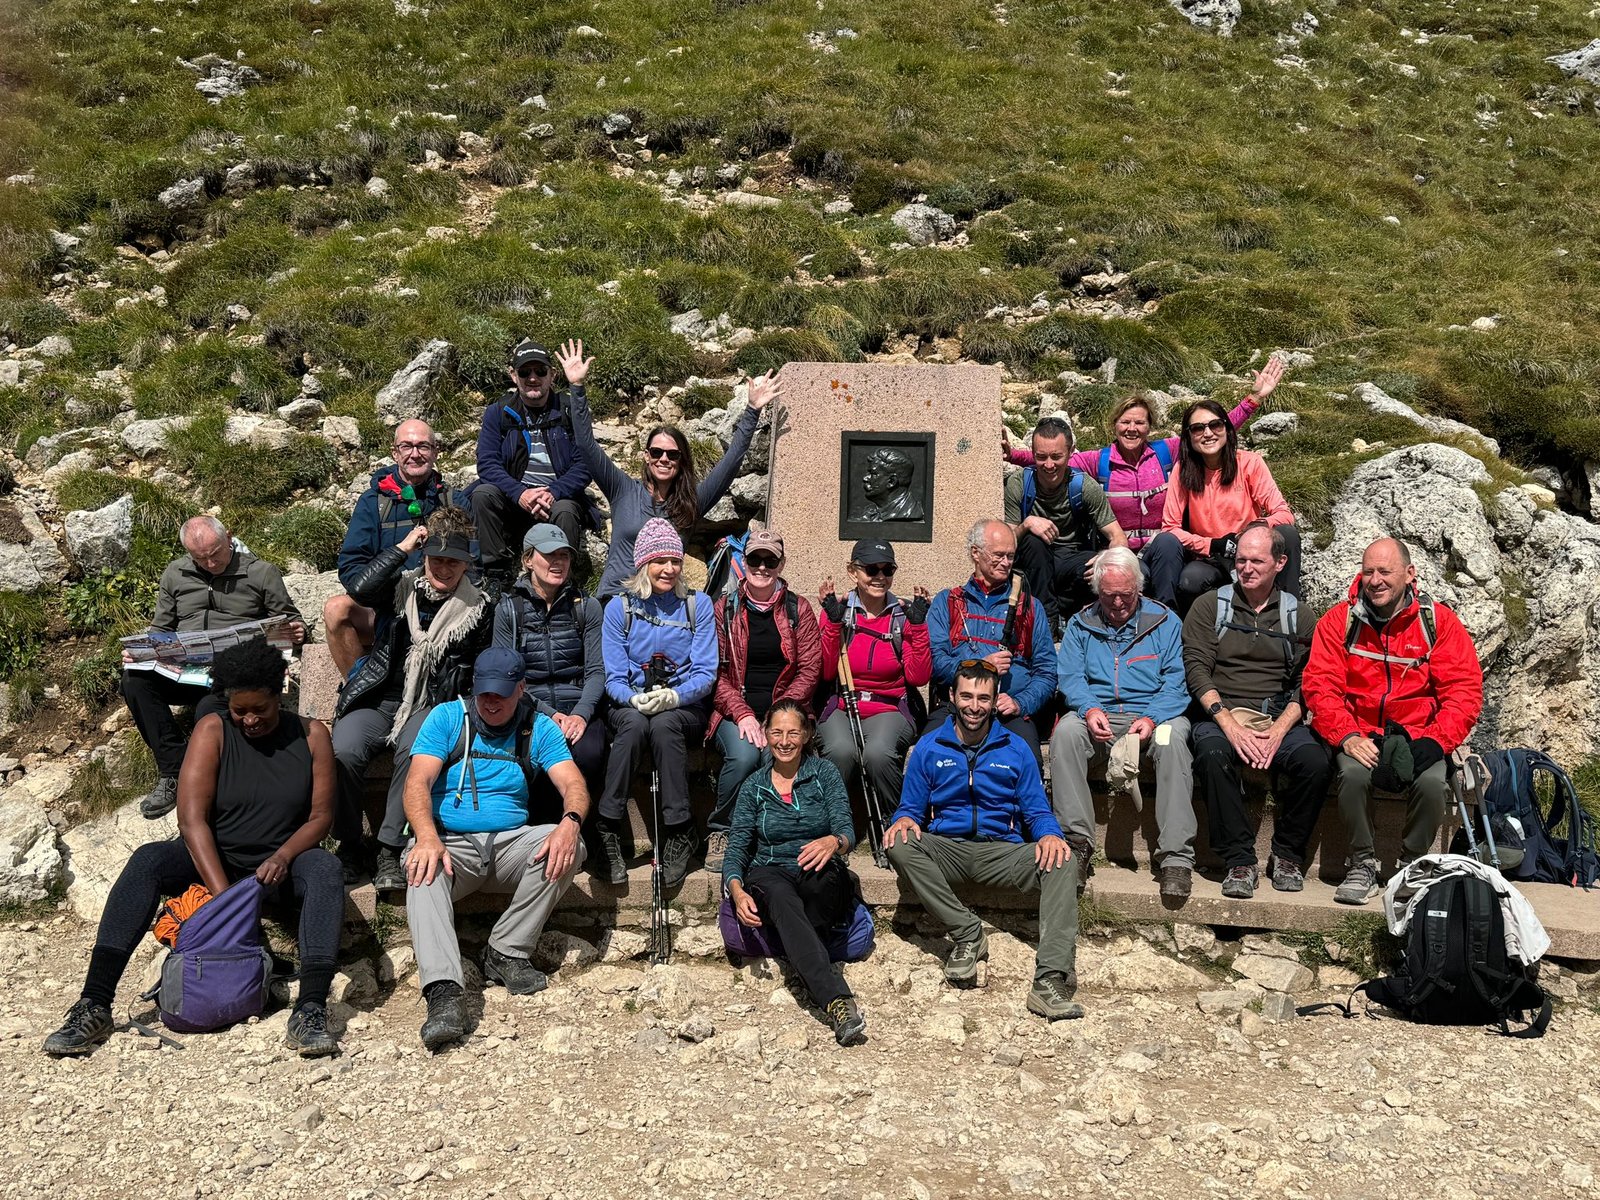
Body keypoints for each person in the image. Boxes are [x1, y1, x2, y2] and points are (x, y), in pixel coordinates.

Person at [44, 640, 341, 1058]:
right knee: (148, 859)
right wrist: (225, 901)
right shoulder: (213, 730)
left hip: (279, 868)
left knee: (325, 868)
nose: (249, 719)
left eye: (260, 709)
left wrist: (283, 856)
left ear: (280, 694)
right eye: (239, 710)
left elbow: (320, 818)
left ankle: (310, 1008)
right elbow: (191, 820)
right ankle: (94, 1003)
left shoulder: (312, 736)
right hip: (217, 865)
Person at [402, 648, 591, 1051]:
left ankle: (506, 951)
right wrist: (427, 836)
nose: (491, 702)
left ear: (521, 689)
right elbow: (417, 782)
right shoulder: (447, 717)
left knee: (569, 845)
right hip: (451, 843)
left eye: (501, 694)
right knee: (422, 869)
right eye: (484, 692)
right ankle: (444, 993)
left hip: (509, 845)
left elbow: (573, 784)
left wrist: (570, 822)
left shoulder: (538, 727)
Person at [885, 662, 1082, 1020]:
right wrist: (903, 819)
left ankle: (1049, 981)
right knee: (899, 842)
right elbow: (910, 808)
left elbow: (1036, 810)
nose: (974, 706)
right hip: (948, 849)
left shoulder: (1015, 748)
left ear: (994, 701)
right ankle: (967, 933)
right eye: (967, 696)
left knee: (1063, 860)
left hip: (1002, 853)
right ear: (951, 697)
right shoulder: (930, 746)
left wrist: (1051, 835)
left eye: (983, 698)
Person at [1301, 537, 1484, 906]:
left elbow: (1464, 690)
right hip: (1360, 730)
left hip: (1419, 734)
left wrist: (1436, 741)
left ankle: (1412, 864)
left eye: (1385, 571)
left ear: (1409, 574)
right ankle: (1362, 864)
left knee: (1432, 785)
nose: (1375, 580)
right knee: (1353, 776)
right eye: (1368, 571)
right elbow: (1320, 685)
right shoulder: (1339, 621)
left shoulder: (1438, 623)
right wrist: (1347, 735)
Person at [1007, 361, 1281, 603]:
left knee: (1167, 542)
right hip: (1120, 551)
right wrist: (1013, 456)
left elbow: (1211, 430)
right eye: (1125, 422)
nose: (1132, 429)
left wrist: (1254, 399)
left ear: (1150, 427)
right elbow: (1053, 459)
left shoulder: (1166, 453)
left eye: (1139, 423)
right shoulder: (1099, 460)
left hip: (1162, 552)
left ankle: (1166, 617)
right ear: (1115, 425)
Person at [330, 506, 492, 887]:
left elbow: (478, 666)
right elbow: (359, 588)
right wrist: (402, 548)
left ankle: (389, 847)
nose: (444, 569)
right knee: (345, 749)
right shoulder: (401, 588)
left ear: (466, 564)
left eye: (453, 562)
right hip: (382, 695)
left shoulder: (478, 607)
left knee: (415, 748)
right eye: (437, 559)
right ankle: (349, 843)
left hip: (432, 702)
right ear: (424, 557)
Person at [564, 336, 782, 598]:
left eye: (673, 454)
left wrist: (752, 410)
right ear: (646, 456)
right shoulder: (622, 489)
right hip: (616, 600)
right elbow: (586, 445)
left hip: (665, 607)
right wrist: (577, 387)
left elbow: (731, 463)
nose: (664, 458)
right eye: (657, 452)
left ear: (682, 460)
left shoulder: (692, 502)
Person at [1182, 524, 1333, 898]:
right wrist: (1229, 725)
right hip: (1222, 714)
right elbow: (1197, 669)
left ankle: (1287, 855)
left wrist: (1279, 730)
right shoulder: (1209, 607)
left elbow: (1309, 681)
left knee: (1315, 761)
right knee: (1212, 754)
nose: (1246, 569)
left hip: (1277, 717)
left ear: (1280, 563)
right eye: (1240, 560)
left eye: (1256, 561)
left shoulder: (1299, 616)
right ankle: (1239, 860)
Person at [122, 516, 307, 820]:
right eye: (200, 558)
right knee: (134, 680)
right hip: (187, 669)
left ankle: (212, 779)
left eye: (215, 553)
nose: (210, 563)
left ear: (229, 538)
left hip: (235, 673)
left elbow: (288, 619)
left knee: (208, 708)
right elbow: (161, 628)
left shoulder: (261, 572)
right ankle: (173, 771)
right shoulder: (175, 574)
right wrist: (143, 652)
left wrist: (297, 631)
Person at [1048, 547, 1195, 898]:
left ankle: (1176, 857)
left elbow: (1176, 683)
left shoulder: (1165, 622)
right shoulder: (1081, 624)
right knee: (1065, 733)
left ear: (1138, 588)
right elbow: (1070, 677)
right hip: (1099, 714)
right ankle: (1077, 844)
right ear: (1097, 591)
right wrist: (1088, 709)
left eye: (1126, 595)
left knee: (1172, 740)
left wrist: (1152, 717)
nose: (1117, 603)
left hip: (1154, 715)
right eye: (1109, 595)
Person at [723, 700, 866, 1045]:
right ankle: (837, 1001)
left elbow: (846, 829)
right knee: (780, 897)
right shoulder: (754, 786)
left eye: (792, 733)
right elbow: (737, 848)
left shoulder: (825, 773)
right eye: (776, 732)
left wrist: (834, 842)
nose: (784, 741)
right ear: (765, 734)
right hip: (771, 871)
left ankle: (796, 947)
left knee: (819, 887)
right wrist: (736, 891)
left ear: (806, 735)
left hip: (818, 869)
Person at [594, 519, 718, 885]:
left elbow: (705, 672)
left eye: (675, 561)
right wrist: (634, 698)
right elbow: (614, 678)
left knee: (665, 725)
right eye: (660, 561)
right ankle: (608, 826)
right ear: (644, 564)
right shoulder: (619, 608)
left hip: (684, 705)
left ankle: (679, 828)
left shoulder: (698, 605)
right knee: (634, 726)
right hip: (630, 703)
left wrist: (675, 696)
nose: (669, 569)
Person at [705, 529, 821, 873]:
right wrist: (742, 714)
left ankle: (771, 834)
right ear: (744, 561)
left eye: (770, 560)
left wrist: (778, 716)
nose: (762, 567)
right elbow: (715, 673)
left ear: (781, 564)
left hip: (784, 711)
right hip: (734, 711)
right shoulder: (724, 609)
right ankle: (722, 829)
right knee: (744, 757)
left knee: (778, 753)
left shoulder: (798, 609)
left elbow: (810, 668)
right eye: (755, 558)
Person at [325, 419, 467, 678]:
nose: (415, 453)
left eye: (423, 446)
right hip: (385, 606)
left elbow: (474, 559)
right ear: (394, 453)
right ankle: (359, 686)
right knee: (336, 609)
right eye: (406, 446)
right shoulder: (373, 503)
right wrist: (397, 572)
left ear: (435, 452)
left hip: (442, 604)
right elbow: (351, 570)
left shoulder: (454, 501)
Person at [492, 522, 607, 828]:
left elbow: (597, 670)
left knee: (590, 753)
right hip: (529, 706)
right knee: (531, 753)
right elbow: (504, 675)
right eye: (548, 555)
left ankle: (585, 831)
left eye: (564, 555)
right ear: (528, 560)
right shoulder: (509, 610)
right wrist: (549, 714)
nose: (558, 562)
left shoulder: (587, 607)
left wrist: (580, 714)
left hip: (578, 702)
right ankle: (539, 831)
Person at [815, 538, 932, 835]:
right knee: (840, 751)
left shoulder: (903, 614)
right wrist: (833, 623)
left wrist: (919, 627)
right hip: (843, 703)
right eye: (871, 569)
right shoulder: (840, 611)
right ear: (852, 571)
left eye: (887, 569)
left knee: (878, 754)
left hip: (889, 706)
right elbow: (826, 671)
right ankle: (833, 829)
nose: (880, 577)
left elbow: (918, 677)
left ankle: (899, 824)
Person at [1147, 397, 1301, 613]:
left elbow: (1283, 513)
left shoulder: (1249, 462)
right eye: (1198, 428)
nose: (1208, 433)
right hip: (1211, 558)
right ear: (1188, 436)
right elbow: (1170, 528)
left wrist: (1256, 528)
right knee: (1191, 580)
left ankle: (1289, 613)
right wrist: (1211, 545)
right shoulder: (1183, 471)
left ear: (1227, 429)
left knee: (1288, 534)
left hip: (1251, 551)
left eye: (1215, 425)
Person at [468, 339, 595, 590]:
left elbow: (585, 464)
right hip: (514, 498)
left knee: (567, 511)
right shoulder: (498, 412)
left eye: (540, 371)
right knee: (482, 495)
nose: (533, 378)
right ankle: (495, 575)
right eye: (525, 372)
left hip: (556, 497)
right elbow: (487, 463)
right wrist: (520, 493)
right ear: (513, 375)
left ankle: (563, 583)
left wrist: (553, 492)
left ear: (552, 375)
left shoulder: (569, 410)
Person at [926, 519, 1057, 759]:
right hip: (956, 708)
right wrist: (980, 666)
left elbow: (1047, 672)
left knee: (1028, 760)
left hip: (1007, 713)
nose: (1006, 563)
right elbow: (934, 662)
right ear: (975, 553)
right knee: (927, 754)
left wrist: (1020, 703)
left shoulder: (1030, 607)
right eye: (998, 555)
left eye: (1011, 556)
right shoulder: (947, 602)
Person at [1004, 416, 1128, 633]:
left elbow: (1118, 537)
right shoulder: (1019, 483)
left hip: (1070, 558)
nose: (1049, 465)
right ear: (1032, 454)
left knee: (1093, 566)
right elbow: (1006, 544)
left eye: (1056, 457)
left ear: (1071, 453)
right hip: (1032, 561)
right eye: (1041, 457)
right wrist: (1026, 524)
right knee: (1034, 542)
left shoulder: (1084, 487)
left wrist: (1105, 560)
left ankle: (1074, 617)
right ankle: (1046, 622)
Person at [856, 447, 925, 521]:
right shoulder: (869, 512)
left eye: (873, 474)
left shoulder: (912, 513)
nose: (865, 478)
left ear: (891, 481)